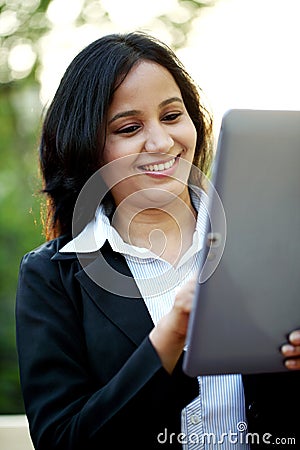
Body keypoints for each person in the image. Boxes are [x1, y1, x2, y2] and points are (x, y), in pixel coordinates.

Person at [15, 31, 299, 450]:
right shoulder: (52, 277)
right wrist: (169, 338)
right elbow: (62, 440)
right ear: (87, 147)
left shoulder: (277, 239)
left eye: (171, 116)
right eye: (129, 128)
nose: (162, 142)